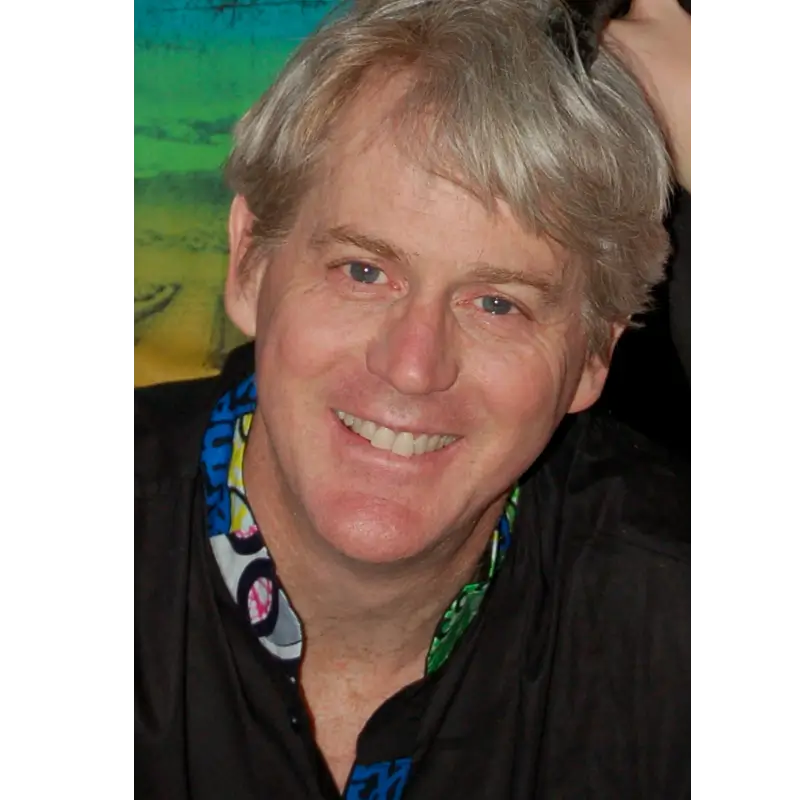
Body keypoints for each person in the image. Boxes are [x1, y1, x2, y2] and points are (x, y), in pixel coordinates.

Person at [128, 0, 695, 797]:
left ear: (594, 355)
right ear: (250, 264)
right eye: (364, 271)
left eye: (498, 303)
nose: (414, 366)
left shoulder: (669, 612)